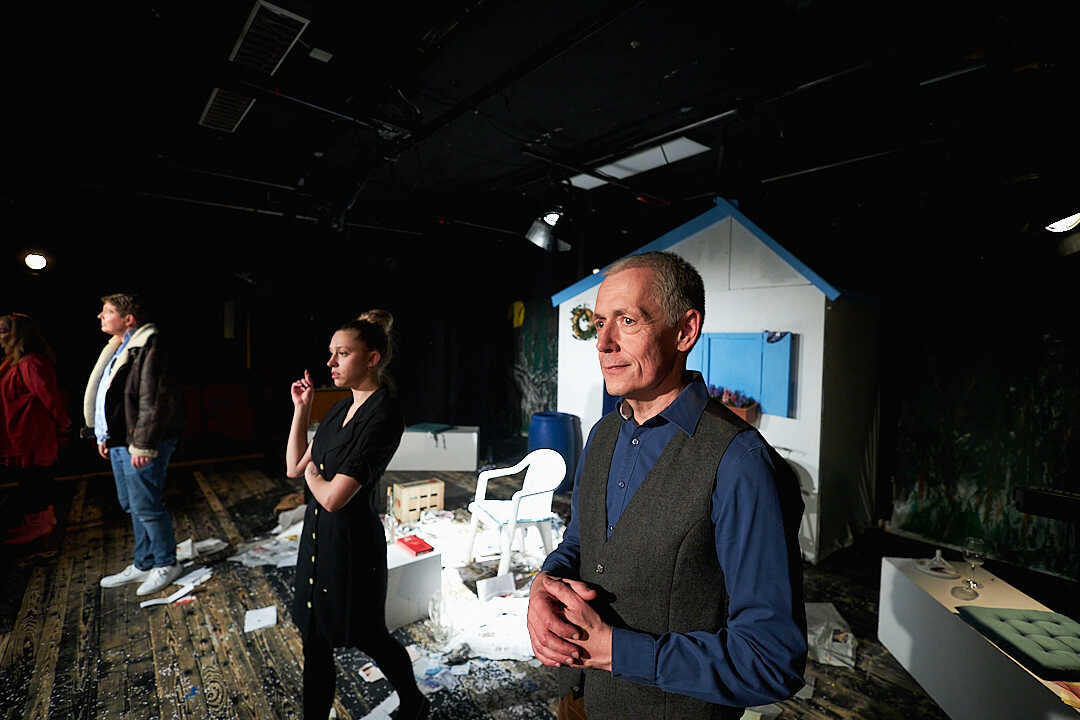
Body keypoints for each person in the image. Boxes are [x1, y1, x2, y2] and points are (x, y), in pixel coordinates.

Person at [527, 252, 807, 720]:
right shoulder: (603, 434)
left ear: (685, 331)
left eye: (627, 321)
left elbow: (771, 660)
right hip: (578, 700)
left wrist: (618, 651)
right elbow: (580, 543)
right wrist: (545, 583)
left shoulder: (739, 462)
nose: (604, 343)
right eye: (599, 324)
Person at [285, 309, 428, 720]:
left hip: (351, 548)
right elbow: (295, 466)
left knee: (370, 637)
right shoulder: (338, 408)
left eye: (342, 354)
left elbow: (333, 498)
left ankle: (414, 701)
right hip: (318, 539)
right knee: (314, 641)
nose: (330, 362)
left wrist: (314, 474)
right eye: (331, 353)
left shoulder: (384, 415)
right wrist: (302, 408)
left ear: (372, 358)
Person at [85, 293, 185, 596]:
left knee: (146, 504)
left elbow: (152, 400)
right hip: (119, 439)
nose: (100, 317)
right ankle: (144, 562)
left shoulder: (149, 345)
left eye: (107, 312)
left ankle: (166, 563)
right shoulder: (119, 347)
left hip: (139, 442)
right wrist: (103, 434)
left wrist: (142, 445)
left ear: (128, 319)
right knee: (131, 504)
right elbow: (109, 394)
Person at [1, 313, 71, 544]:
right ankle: (38, 521)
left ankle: (42, 524)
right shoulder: (13, 362)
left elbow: (49, 397)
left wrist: (64, 424)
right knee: (30, 479)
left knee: (36, 478)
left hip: (33, 433)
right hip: (19, 432)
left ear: (17, 335)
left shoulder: (30, 363)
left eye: (3, 331)